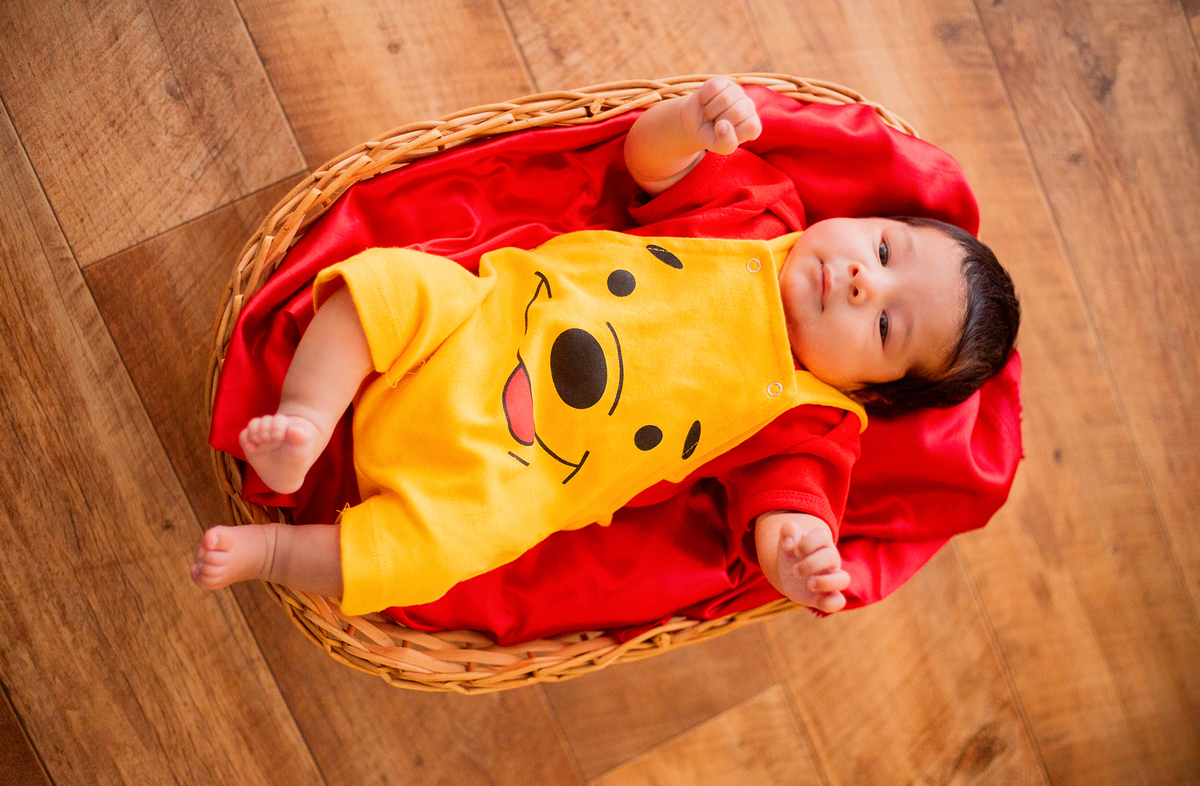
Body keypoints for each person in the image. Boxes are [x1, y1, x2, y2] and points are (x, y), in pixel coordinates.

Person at [191, 77, 1019, 616]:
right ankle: (305, 424)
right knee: (382, 290)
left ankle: (274, 551)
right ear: (867, 218)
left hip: (512, 476)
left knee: (423, 558)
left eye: (885, 327)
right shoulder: (761, 210)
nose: (864, 282)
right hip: (483, 318)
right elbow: (646, 164)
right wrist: (690, 124)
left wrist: (797, 557)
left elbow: (786, 515)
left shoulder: (813, 421)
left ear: (870, 390)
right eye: (883, 249)